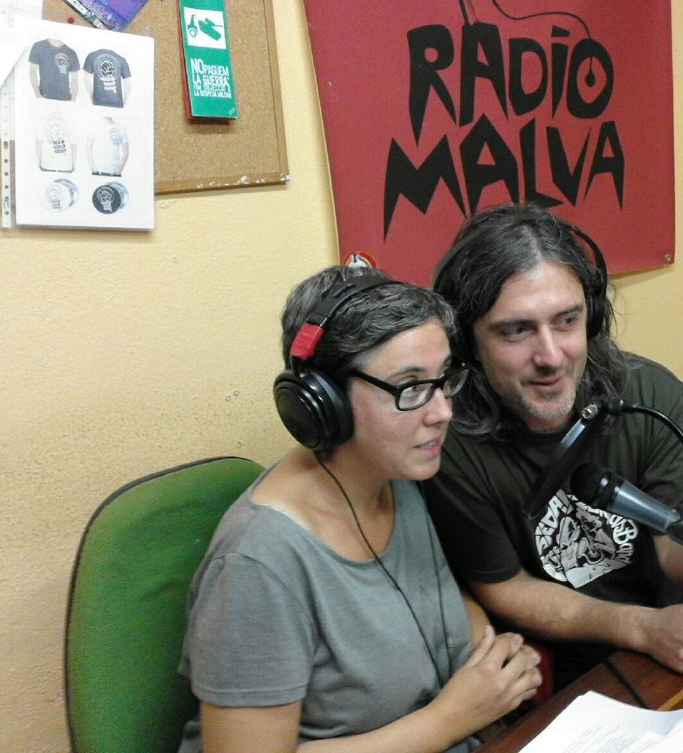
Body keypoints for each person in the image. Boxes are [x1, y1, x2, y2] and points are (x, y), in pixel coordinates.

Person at [177, 266, 541, 753]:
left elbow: (427, 602)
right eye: (410, 387)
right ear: (324, 402)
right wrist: (450, 719)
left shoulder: (396, 474)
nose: (442, 412)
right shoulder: (258, 564)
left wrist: (490, 657)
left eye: (443, 379)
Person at [426, 204, 683, 689]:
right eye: (516, 330)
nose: (551, 357)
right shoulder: (446, 436)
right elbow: (504, 585)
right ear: (467, 343)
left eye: (567, 321)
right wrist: (640, 628)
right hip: (580, 667)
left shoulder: (651, 396)